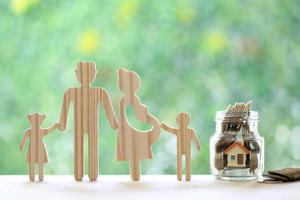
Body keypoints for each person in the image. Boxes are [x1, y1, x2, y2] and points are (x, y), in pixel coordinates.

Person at [58, 62, 118, 181]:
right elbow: (65, 110)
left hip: (91, 126)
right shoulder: (72, 92)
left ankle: (90, 174)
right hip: (80, 126)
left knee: (90, 148)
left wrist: (114, 123)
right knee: (81, 148)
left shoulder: (99, 92)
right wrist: (62, 124)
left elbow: (108, 109)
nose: (86, 76)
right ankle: (83, 173)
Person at [116, 68, 160, 181]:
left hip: (129, 132)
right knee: (133, 155)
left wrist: (143, 111)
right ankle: (135, 176)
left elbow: (139, 115)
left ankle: (135, 176)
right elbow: (138, 115)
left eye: (121, 81)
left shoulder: (128, 99)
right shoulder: (126, 99)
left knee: (134, 155)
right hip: (128, 132)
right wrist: (143, 111)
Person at [161, 112, 201, 181]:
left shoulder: (190, 131)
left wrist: (198, 146)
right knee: (179, 163)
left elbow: (195, 139)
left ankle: (187, 176)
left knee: (187, 163)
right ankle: (180, 176)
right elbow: (170, 129)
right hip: (180, 149)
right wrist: (164, 127)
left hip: (186, 149)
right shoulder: (179, 130)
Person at [19, 113, 58, 181]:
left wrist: (54, 127)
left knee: (40, 163)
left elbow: (48, 130)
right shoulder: (29, 131)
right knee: (32, 163)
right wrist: (22, 144)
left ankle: (40, 177)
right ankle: (32, 177)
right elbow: (24, 138)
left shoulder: (38, 131)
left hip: (40, 148)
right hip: (33, 149)